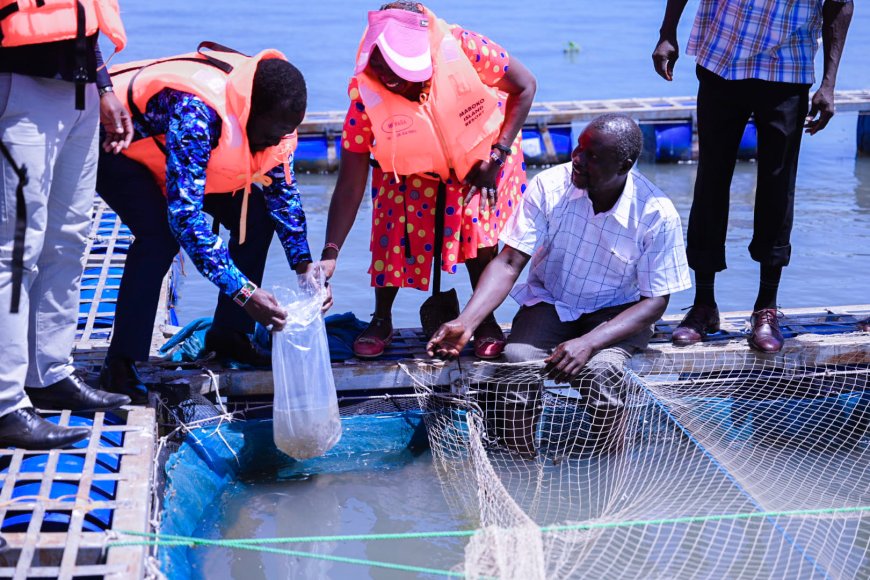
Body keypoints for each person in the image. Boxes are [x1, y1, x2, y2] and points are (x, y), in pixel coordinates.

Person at [428, 114, 692, 456]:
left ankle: (603, 463)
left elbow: (655, 301)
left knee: (604, 372)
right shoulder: (550, 185)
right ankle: (521, 458)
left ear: (624, 165)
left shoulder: (657, 213)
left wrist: (589, 342)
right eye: (578, 148)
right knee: (518, 358)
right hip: (552, 301)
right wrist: (467, 322)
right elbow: (509, 262)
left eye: (592, 156)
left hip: (616, 315)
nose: (577, 160)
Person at [96, 44, 329, 403]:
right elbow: (185, 219)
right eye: (269, 134)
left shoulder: (276, 129)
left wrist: (305, 267)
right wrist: (245, 292)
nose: (273, 142)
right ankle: (121, 365)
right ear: (250, 111)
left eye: (282, 135)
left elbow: (283, 196)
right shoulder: (196, 113)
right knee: (159, 236)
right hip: (118, 148)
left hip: (177, 155)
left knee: (259, 213)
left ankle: (229, 335)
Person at [317, 1, 536, 359]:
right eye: (380, 65)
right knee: (389, 216)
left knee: (478, 231)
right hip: (410, 165)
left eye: (400, 69)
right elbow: (351, 180)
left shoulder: (464, 48)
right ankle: (382, 317)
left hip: (483, 156)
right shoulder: (365, 92)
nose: (388, 76)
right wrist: (331, 253)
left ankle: (484, 318)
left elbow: (525, 86)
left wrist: (496, 157)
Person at [653, 0, 853, 353]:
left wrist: (829, 83)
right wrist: (667, 31)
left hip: (786, 64)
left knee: (778, 185)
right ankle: (704, 305)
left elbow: (840, 4)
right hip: (721, 55)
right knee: (711, 181)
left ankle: (765, 308)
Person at [0, 0, 133, 449]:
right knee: (15, 250)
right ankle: (4, 404)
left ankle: (48, 373)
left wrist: (104, 85)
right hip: (18, 87)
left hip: (80, 95)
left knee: (71, 238)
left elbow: (85, 16)